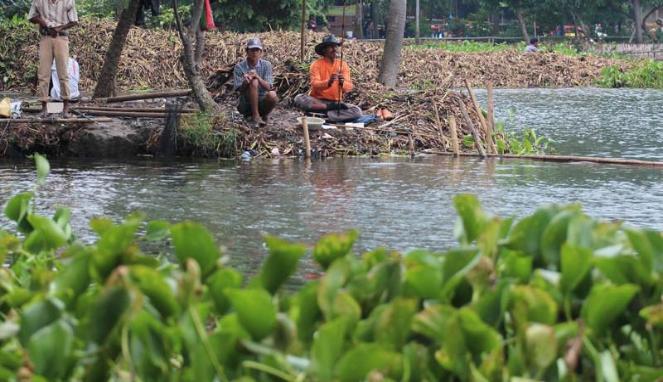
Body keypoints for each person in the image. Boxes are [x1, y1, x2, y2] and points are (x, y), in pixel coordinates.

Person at [294, 35, 362, 122]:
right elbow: (315, 84)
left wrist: (342, 82)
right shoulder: (316, 64)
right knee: (299, 98)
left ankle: (324, 116)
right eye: (331, 47)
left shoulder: (343, 65)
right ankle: (328, 112)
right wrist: (328, 82)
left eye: (335, 46)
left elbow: (349, 87)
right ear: (324, 50)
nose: (334, 49)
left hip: (336, 104)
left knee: (357, 111)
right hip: (318, 101)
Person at [28, 0, 78, 118]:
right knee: (43, 73)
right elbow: (31, 17)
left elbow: (74, 21)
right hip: (45, 37)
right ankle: (44, 108)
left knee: (63, 73)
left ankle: (65, 108)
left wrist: (59, 29)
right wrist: (44, 24)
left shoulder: (68, 1)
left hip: (61, 38)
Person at [233, 37, 278, 127]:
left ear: (261, 52)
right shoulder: (239, 67)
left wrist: (257, 77)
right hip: (245, 103)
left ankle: (263, 114)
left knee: (272, 95)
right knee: (253, 82)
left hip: (262, 99)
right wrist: (246, 82)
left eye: (257, 50)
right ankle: (255, 116)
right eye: (252, 50)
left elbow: (269, 87)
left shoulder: (266, 65)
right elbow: (238, 91)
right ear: (247, 51)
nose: (254, 53)